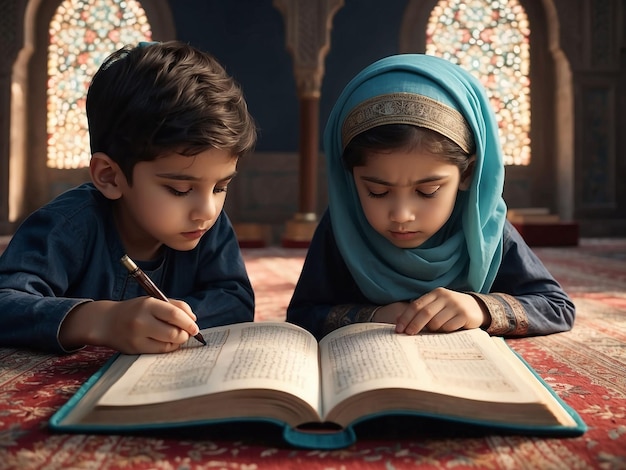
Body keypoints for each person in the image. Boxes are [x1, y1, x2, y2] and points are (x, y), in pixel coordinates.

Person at [287, 54, 575, 341]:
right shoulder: (343, 228)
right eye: (377, 191)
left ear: (467, 174)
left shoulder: (485, 229)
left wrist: (480, 308)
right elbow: (303, 313)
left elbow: (556, 307)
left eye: (427, 191)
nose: (401, 215)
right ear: (349, 179)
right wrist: (374, 316)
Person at [0, 41, 257, 354]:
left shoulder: (208, 225)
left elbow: (235, 299)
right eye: (179, 190)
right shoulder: (66, 226)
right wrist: (97, 320)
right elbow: (6, 304)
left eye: (220, 187)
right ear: (110, 176)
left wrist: (168, 321)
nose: (206, 210)